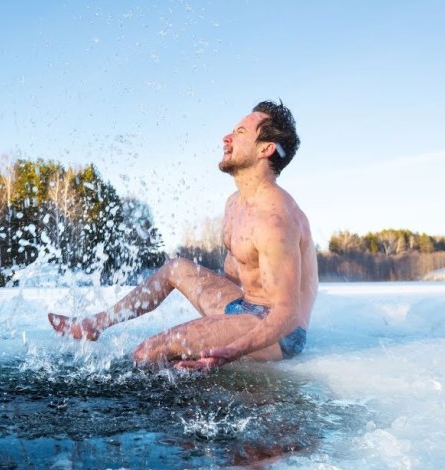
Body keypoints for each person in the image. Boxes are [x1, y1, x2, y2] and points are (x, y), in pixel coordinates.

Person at [48, 100, 318, 370]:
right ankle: (94, 324)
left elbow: (287, 313)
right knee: (176, 267)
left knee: (148, 352)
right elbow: (241, 275)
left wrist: (229, 352)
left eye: (239, 132)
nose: (227, 137)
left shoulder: (275, 219)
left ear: (266, 149)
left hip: (280, 332)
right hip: (243, 308)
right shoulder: (235, 203)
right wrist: (215, 324)